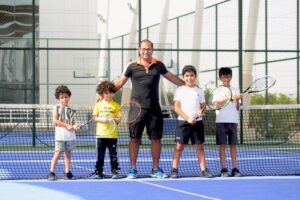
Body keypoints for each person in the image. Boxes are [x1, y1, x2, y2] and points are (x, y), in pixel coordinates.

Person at [114, 39, 185, 179]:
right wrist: (104, 93)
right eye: (143, 49)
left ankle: (155, 169)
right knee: (134, 139)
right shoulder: (132, 66)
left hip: (154, 109)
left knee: (156, 139)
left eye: (148, 49)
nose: (146, 51)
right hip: (136, 109)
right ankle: (133, 169)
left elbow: (172, 78)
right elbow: (120, 83)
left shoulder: (159, 65)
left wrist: (189, 85)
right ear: (139, 50)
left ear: (152, 50)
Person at [170, 65, 212, 178]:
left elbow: (204, 108)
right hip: (183, 123)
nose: (189, 78)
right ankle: (174, 170)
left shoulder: (200, 91)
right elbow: (176, 108)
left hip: (197, 124)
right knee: (179, 147)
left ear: (195, 76)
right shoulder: (179, 90)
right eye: (187, 76)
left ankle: (204, 170)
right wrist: (188, 118)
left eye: (192, 75)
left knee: (199, 147)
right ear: (183, 77)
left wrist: (201, 112)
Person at [214, 67, 242, 177]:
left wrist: (237, 100)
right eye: (224, 76)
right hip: (221, 121)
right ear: (220, 77)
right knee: (222, 145)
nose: (227, 78)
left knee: (233, 145)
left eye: (229, 76)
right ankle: (223, 169)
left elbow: (238, 107)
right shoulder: (218, 90)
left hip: (233, 121)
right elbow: (217, 105)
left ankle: (235, 168)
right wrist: (230, 98)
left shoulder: (236, 89)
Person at [48, 85, 79, 180]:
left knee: (68, 155)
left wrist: (75, 127)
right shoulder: (56, 107)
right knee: (57, 154)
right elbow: (55, 121)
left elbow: (74, 123)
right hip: (60, 136)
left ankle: (67, 172)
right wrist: (67, 125)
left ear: (69, 97)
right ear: (58, 98)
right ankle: (51, 172)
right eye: (61, 97)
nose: (64, 99)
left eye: (66, 97)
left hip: (70, 137)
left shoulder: (72, 110)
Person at [92, 81, 121, 179]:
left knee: (113, 155)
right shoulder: (98, 105)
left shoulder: (116, 105)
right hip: (100, 135)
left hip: (112, 136)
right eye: (106, 93)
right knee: (100, 155)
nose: (109, 95)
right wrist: (102, 119)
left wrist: (112, 119)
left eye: (111, 92)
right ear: (102, 93)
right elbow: (95, 118)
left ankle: (115, 172)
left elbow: (119, 120)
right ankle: (98, 172)